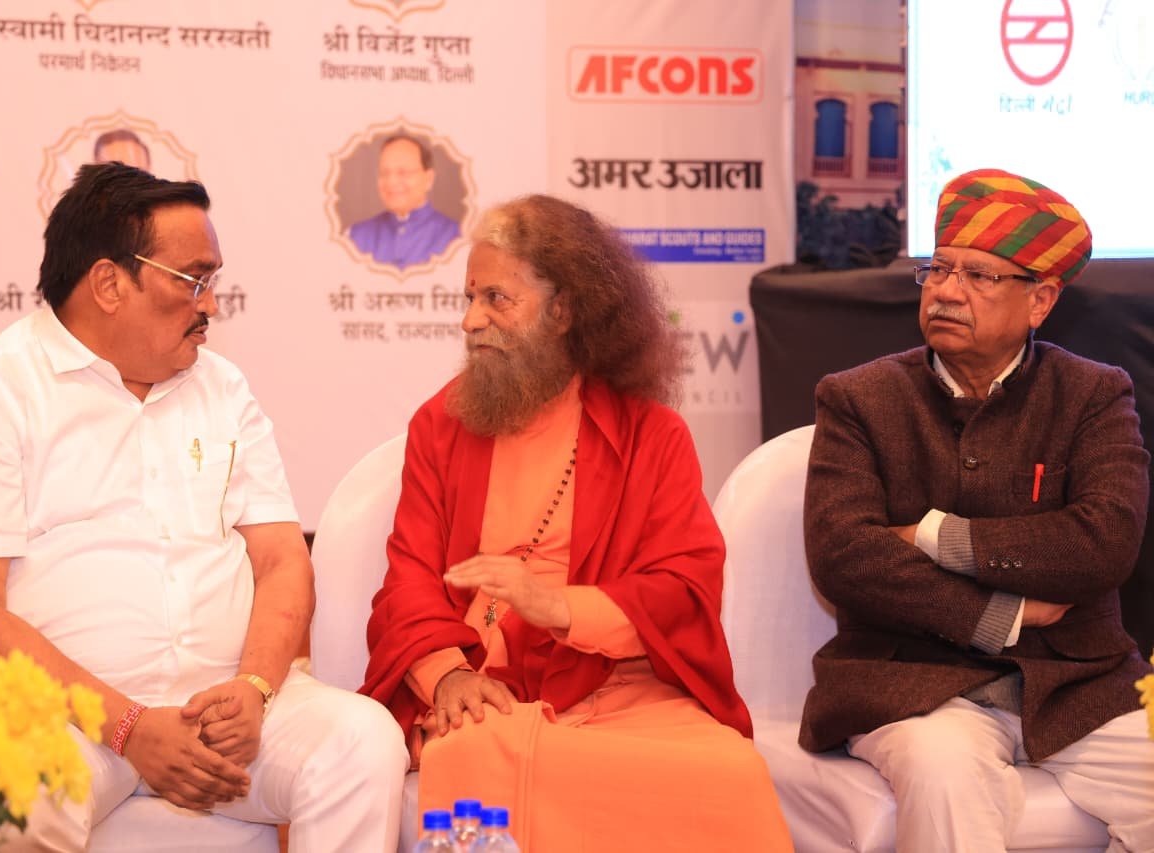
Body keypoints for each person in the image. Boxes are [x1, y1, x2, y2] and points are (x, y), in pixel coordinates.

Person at [0, 163, 406, 852]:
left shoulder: (223, 388)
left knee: (362, 741)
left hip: (224, 709)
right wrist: (127, 726)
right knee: (5, 793)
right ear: (109, 283)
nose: (211, 305)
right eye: (193, 280)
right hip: (67, 721)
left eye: (213, 281)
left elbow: (282, 559)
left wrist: (255, 686)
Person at [361, 194, 792, 851]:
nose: (471, 320)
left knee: (731, 773)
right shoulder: (440, 425)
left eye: (496, 299)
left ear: (563, 310)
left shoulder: (652, 436)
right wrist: (447, 676)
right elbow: (408, 582)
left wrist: (558, 607)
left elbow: (684, 588)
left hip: (624, 687)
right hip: (486, 686)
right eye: (470, 298)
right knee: (472, 756)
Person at [801, 168, 1154, 850]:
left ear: (1040, 300)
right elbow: (845, 556)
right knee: (945, 777)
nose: (946, 291)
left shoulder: (1093, 395)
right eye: (937, 270)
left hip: (1081, 687)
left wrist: (931, 534)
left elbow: (1103, 543)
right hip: (911, 685)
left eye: (979, 276)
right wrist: (1000, 615)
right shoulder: (857, 398)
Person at [348, 134, 459, 269]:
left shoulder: (456, 237)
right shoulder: (355, 236)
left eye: (403, 172)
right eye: (384, 173)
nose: (391, 182)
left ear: (429, 179)